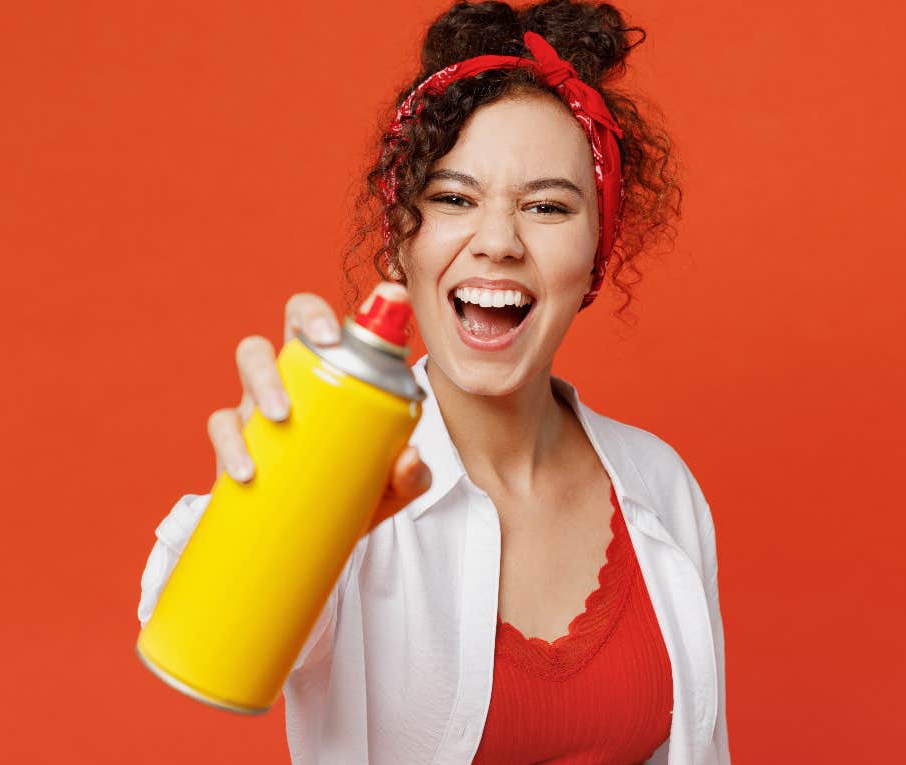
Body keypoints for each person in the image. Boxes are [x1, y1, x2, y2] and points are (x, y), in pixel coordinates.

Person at [137, 1, 730, 762]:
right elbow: (194, 631)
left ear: (594, 254)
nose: (497, 241)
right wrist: (278, 499)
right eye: (453, 198)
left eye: (548, 206)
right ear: (402, 239)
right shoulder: (345, 490)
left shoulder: (662, 486)